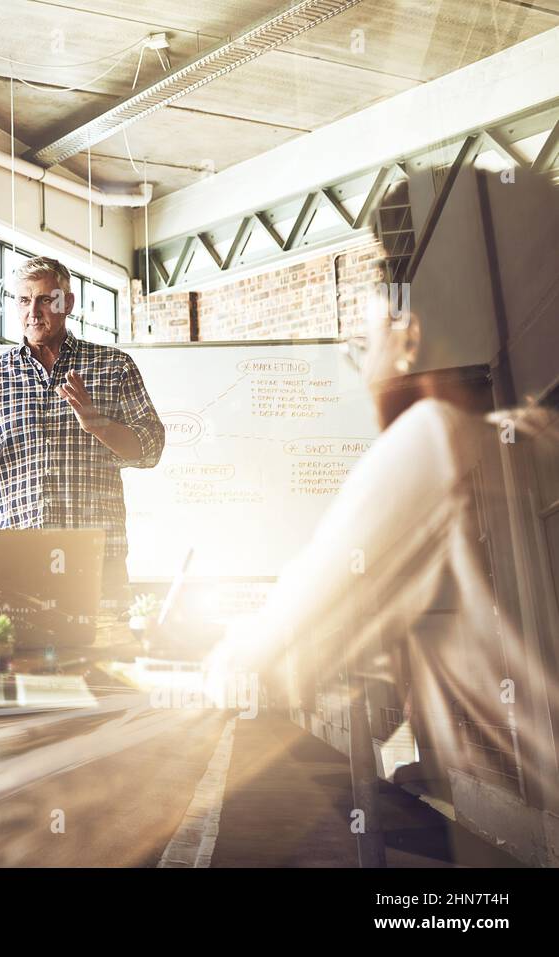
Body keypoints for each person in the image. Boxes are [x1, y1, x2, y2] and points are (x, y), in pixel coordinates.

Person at [204, 168, 559, 804]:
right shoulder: (531, 434)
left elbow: (271, 656)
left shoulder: (435, 438)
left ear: (408, 331)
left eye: (364, 315)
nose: (354, 345)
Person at [0, 256, 165, 596]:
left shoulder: (114, 366)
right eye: (23, 300)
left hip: (97, 562)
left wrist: (97, 424)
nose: (33, 312)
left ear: (68, 303)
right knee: (17, 652)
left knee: (108, 650)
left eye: (45, 300)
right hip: (16, 563)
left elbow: (150, 449)